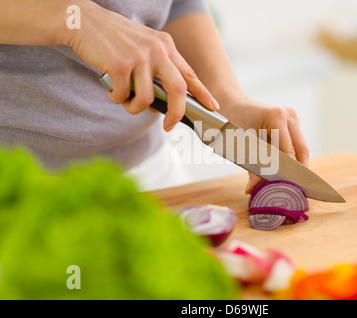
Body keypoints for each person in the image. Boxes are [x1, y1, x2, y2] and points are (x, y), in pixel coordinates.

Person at [0, 0, 309, 194]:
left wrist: (227, 99)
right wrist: (78, 19)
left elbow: (175, 4)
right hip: (16, 189)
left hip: (149, 174)